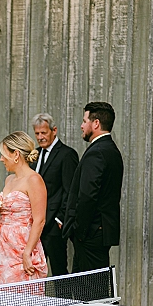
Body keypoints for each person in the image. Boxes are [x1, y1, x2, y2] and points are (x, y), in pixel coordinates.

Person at [62, 102, 124, 272]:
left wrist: (79, 231)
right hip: (99, 231)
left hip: (91, 234)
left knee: (89, 292)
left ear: (95, 123)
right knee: (94, 288)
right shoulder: (111, 150)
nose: (82, 126)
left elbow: (88, 196)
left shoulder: (97, 152)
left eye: (84, 121)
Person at [0, 131, 48, 284]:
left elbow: (39, 220)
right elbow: (12, 214)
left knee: (22, 291)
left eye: (4, 154)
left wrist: (27, 252)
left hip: (22, 244)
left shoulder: (34, 180)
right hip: (2, 245)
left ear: (16, 154)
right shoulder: (9, 180)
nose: (2, 159)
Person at [31, 113, 79, 276]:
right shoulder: (35, 154)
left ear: (54, 130)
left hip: (54, 226)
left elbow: (70, 190)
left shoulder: (66, 154)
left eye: (44, 133)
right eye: (37, 133)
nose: (40, 137)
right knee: (34, 269)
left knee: (59, 271)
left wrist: (61, 219)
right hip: (35, 225)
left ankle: (66, 301)